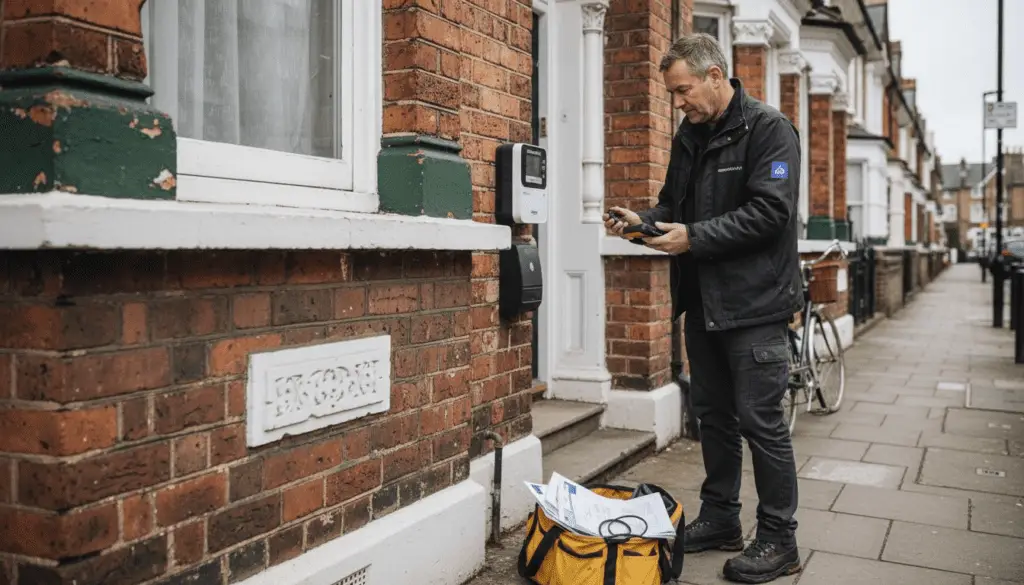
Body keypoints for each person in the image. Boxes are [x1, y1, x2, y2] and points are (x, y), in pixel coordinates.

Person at [604, 33, 803, 584]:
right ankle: (721, 519)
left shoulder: (769, 130)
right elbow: (675, 207)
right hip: (704, 304)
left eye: (684, 90)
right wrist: (643, 222)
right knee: (712, 418)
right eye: (673, 93)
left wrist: (691, 238)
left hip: (756, 305)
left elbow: (770, 214)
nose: (678, 102)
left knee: (762, 423)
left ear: (716, 75)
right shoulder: (689, 135)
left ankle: (780, 538)